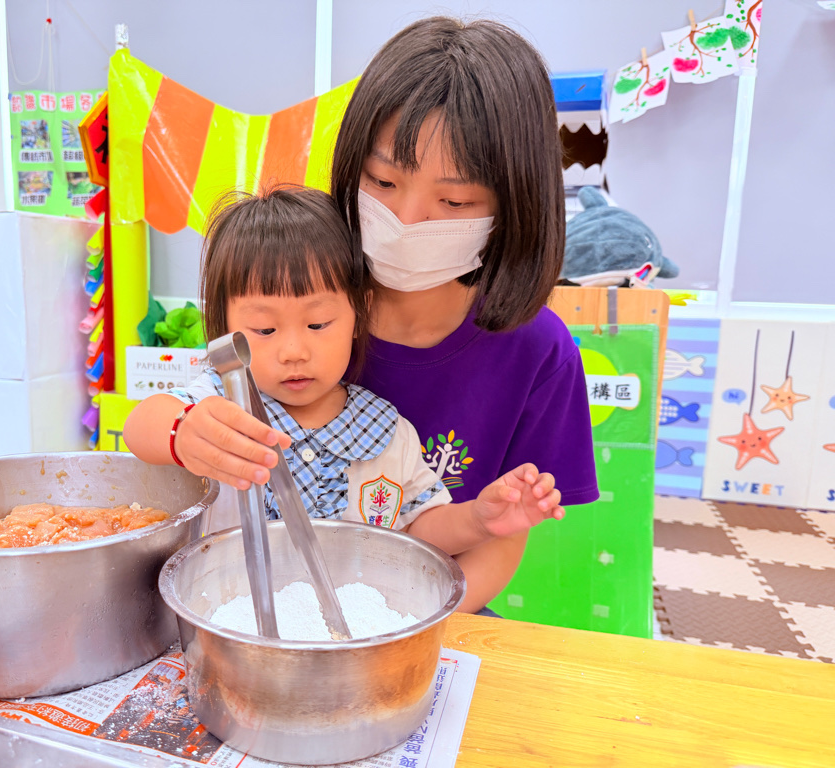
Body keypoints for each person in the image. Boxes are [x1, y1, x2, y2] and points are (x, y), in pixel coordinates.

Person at [136, 17, 599, 614]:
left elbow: (494, 541)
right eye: (382, 180)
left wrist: (384, 634)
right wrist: (183, 431)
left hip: (423, 614)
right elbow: (161, 419)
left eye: (454, 199)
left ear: (516, 202)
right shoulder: (304, 292)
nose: (406, 218)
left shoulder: (536, 352)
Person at [124, 185, 565, 562]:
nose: (294, 352)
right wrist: (182, 431)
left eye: (318, 324)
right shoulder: (220, 405)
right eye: (264, 330)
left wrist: (478, 521)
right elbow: (141, 427)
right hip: (231, 615)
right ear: (223, 328)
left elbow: (418, 530)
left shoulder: (386, 431)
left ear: (359, 314)